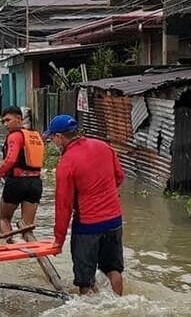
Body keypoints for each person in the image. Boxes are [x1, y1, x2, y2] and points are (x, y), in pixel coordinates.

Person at [46, 114, 125, 296]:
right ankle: (119, 305)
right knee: (114, 270)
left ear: (59, 137)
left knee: (85, 281)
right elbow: (119, 176)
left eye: (52, 138)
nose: (53, 142)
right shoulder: (103, 146)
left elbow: (63, 206)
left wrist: (58, 240)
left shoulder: (66, 164)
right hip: (114, 220)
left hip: (88, 226)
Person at [0, 106, 44, 238]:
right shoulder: (35, 135)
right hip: (35, 183)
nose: (5, 124)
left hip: (17, 183)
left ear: (19, 119)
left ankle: (10, 250)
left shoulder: (14, 136)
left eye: (8, 120)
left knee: (4, 219)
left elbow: (10, 160)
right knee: (26, 226)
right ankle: (32, 255)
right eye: (3, 121)